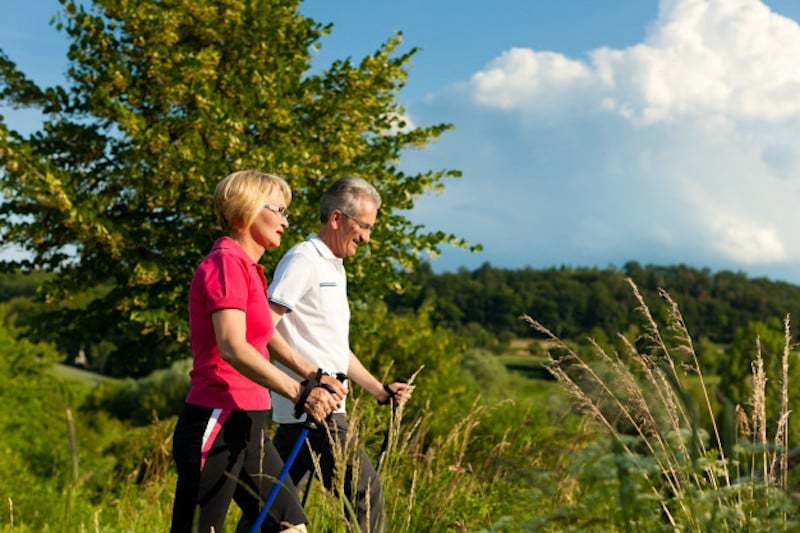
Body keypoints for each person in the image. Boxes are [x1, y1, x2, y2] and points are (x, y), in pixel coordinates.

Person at [170, 170, 347, 533]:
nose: (285, 221)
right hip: (216, 417)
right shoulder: (225, 263)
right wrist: (299, 392)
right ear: (247, 210)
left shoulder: (250, 269)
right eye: (278, 210)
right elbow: (233, 347)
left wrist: (314, 375)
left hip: (249, 422)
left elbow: (262, 337)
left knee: (290, 526)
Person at [266, 177, 413, 532]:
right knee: (366, 494)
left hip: (313, 408)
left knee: (277, 506)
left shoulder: (334, 265)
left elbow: (335, 350)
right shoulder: (303, 259)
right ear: (336, 219)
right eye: (363, 226)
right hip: (313, 408)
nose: (367, 237)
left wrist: (380, 391)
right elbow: (264, 328)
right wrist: (312, 380)